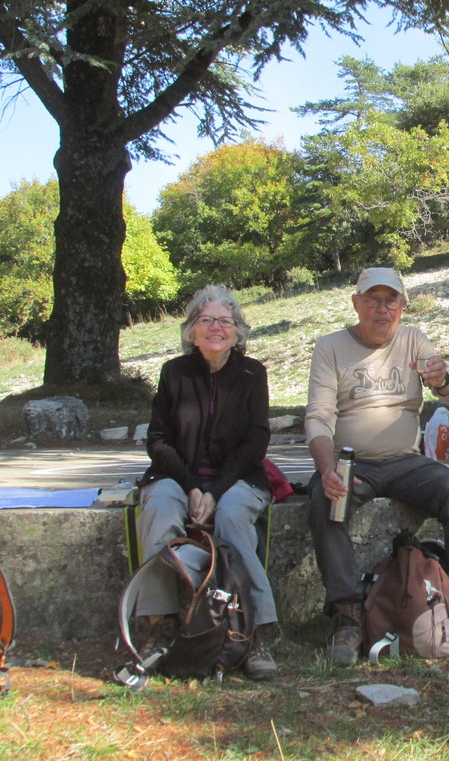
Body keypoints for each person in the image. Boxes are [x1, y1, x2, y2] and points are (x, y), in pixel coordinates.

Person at [305, 267, 449, 665]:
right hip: (352, 462)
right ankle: (346, 615)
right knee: (324, 502)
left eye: (391, 300)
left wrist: (441, 377)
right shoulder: (331, 347)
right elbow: (318, 416)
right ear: (356, 304)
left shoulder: (412, 339)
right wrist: (326, 469)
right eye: (372, 300)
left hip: (406, 462)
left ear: (402, 306)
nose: (382, 309)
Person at [136, 285, 278, 680]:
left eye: (225, 321)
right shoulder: (173, 374)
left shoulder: (253, 374)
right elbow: (158, 440)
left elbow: (256, 441)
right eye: (206, 320)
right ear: (192, 331)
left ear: (238, 331)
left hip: (237, 479)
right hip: (176, 476)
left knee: (233, 520)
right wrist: (193, 485)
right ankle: (159, 628)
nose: (216, 328)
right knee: (161, 511)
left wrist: (214, 490)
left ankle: (256, 631)